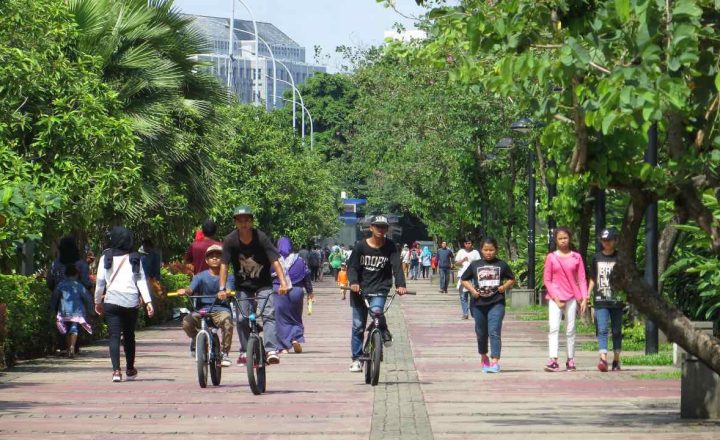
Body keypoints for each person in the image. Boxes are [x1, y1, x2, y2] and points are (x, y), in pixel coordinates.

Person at [218, 206, 289, 366]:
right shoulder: (230, 240)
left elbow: (274, 261)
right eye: (240, 220)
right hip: (243, 286)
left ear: (251, 221)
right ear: (235, 222)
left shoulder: (261, 237)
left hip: (263, 284)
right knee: (242, 318)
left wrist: (283, 283)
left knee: (268, 314)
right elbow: (224, 264)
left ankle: (271, 349)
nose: (244, 224)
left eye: (247, 220)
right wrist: (222, 287)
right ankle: (244, 350)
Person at [346, 215, 406, 373]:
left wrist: (400, 285)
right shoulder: (360, 246)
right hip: (359, 291)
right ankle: (357, 359)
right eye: (377, 226)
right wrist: (353, 283)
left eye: (383, 227)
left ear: (387, 229)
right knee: (358, 326)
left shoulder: (391, 247)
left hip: (380, 288)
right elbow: (352, 267)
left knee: (377, 313)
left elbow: (397, 267)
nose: (380, 230)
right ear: (371, 228)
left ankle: (382, 330)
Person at [94, 226, 154, 383]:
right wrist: (148, 301)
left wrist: (97, 301)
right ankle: (130, 368)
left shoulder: (105, 257)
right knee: (129, 336)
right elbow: (140, 280)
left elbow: (100, 283)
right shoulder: (135, 257)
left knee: (114, 336)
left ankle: (116, 371)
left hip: (112, 301)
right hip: (130, 301)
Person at [461, 237, 515, 373]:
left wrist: (504, 287)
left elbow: (512, 278)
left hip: (496, 302)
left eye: (491, 250)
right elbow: (464, 279)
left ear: (496, 250)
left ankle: (495, 361)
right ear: (481, 250)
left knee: (494, 331)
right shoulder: (475, 265)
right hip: (478, 304)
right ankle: (484, 356)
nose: (488, 252)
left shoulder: (502, 264)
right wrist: (472, 290)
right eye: (486, 250)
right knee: (481, 332)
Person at [179, 244, 234, 367]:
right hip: (202, 310)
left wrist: (227, 292)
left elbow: (230, 289)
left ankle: (225, 353)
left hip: (221, 310)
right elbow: (190, 289)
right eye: (211, 256)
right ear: (206, 260)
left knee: (227, 322)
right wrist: (185, 291)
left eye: (218, 256)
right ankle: (196, 339)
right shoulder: (200, 276)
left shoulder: (228, 276)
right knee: (187, 322)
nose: (214, 258)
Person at [543, 227, 588, 372]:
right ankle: (553, 359)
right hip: (555, 298)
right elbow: (547, 280)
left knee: (571, 329)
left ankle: (570, 359)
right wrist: (556, 299)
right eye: (560, 238)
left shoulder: (576, 257)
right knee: (554, 328)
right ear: (556, 240)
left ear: (570, 239)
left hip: (572, 297)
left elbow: (581, 279)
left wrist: (584, 298)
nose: (563, 241)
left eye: (565, 238)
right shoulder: (551, 257)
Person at [588, 227, 623, 372]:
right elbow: (593, 278)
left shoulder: (620, 257)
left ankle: (616, 359)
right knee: (602, 329)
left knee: (616, 330)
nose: (606, 243)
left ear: (615, 241)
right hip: (600, 299)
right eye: (603, 240)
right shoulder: (596, 258)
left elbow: (626, 278)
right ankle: (603, 358)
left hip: (616, 299)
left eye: (609, 240)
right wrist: (587, 294)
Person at [272, 236, 314, 354]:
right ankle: (295, 338)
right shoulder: (299, 260)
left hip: (279, 291)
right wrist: (310, 292)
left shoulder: (274, 261)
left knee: (281, 319)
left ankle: (284, 346)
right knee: (296, 317)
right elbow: (306, 277)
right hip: (296, 291)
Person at [51, 265, 93, 358]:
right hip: (77, 311)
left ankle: (68, 349)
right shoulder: (79, 286)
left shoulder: (61, 284)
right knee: (74, 329)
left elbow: (55, 297)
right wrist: (91, 310)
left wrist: (52, 308)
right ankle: (72, 347)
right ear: (76, 274)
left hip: (64, 310)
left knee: (66, 329)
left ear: (65, 274)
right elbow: (87, 298)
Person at [455, 238, 481, 319]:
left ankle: (473, 312)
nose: (468, 245)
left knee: (473, 295)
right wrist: (462, 260)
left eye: (469, 243)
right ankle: (465, 313)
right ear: (464, 244)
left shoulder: (475, 253)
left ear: (472, 244)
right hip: (462, 276)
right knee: (463, 296)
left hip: (472, 277)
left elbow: (479, 264)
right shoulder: (461, 252)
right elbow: (456, 264)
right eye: (466, 243)